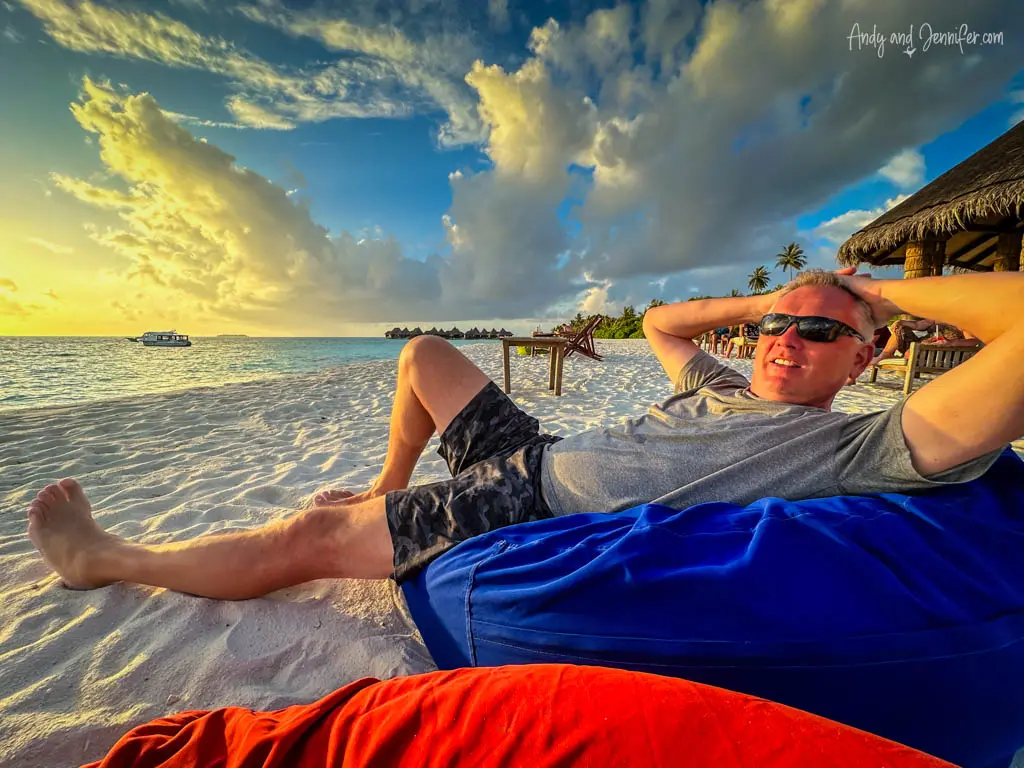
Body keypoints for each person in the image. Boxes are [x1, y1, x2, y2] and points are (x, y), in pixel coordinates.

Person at [27, 269, 1024, 598]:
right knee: (422, 352)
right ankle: (385, 478)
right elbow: (672, 325)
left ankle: (112, 560)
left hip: (530, 503)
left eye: (820, 333)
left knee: (311, 540)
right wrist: (782, 293)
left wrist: (870, 290)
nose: (787, 341)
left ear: (864, 357)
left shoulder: (862, 444)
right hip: (535, 448)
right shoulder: (721, 373)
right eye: (776, 324)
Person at [870, 316, 980, 366]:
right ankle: (884, 356)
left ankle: (905, 357)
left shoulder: (962, 321)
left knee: (915, 350)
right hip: (919, 346)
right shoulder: (937, 317)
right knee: (900, 328)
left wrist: (952, 343)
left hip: (938, 351)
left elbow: (973, 341)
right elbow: (918, 325)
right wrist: (902, 322)